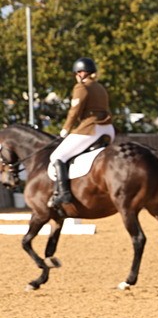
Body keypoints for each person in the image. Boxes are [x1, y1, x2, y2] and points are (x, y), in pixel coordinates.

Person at [47, 57, 115, 208]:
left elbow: (74, 111)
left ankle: (63, 193)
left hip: (91, 128)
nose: (76, 76)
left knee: (57, 156)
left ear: (82, 73)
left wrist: (65, 129)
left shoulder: (81, 87)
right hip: (108, 129)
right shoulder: (100, 87)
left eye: (77, 73)